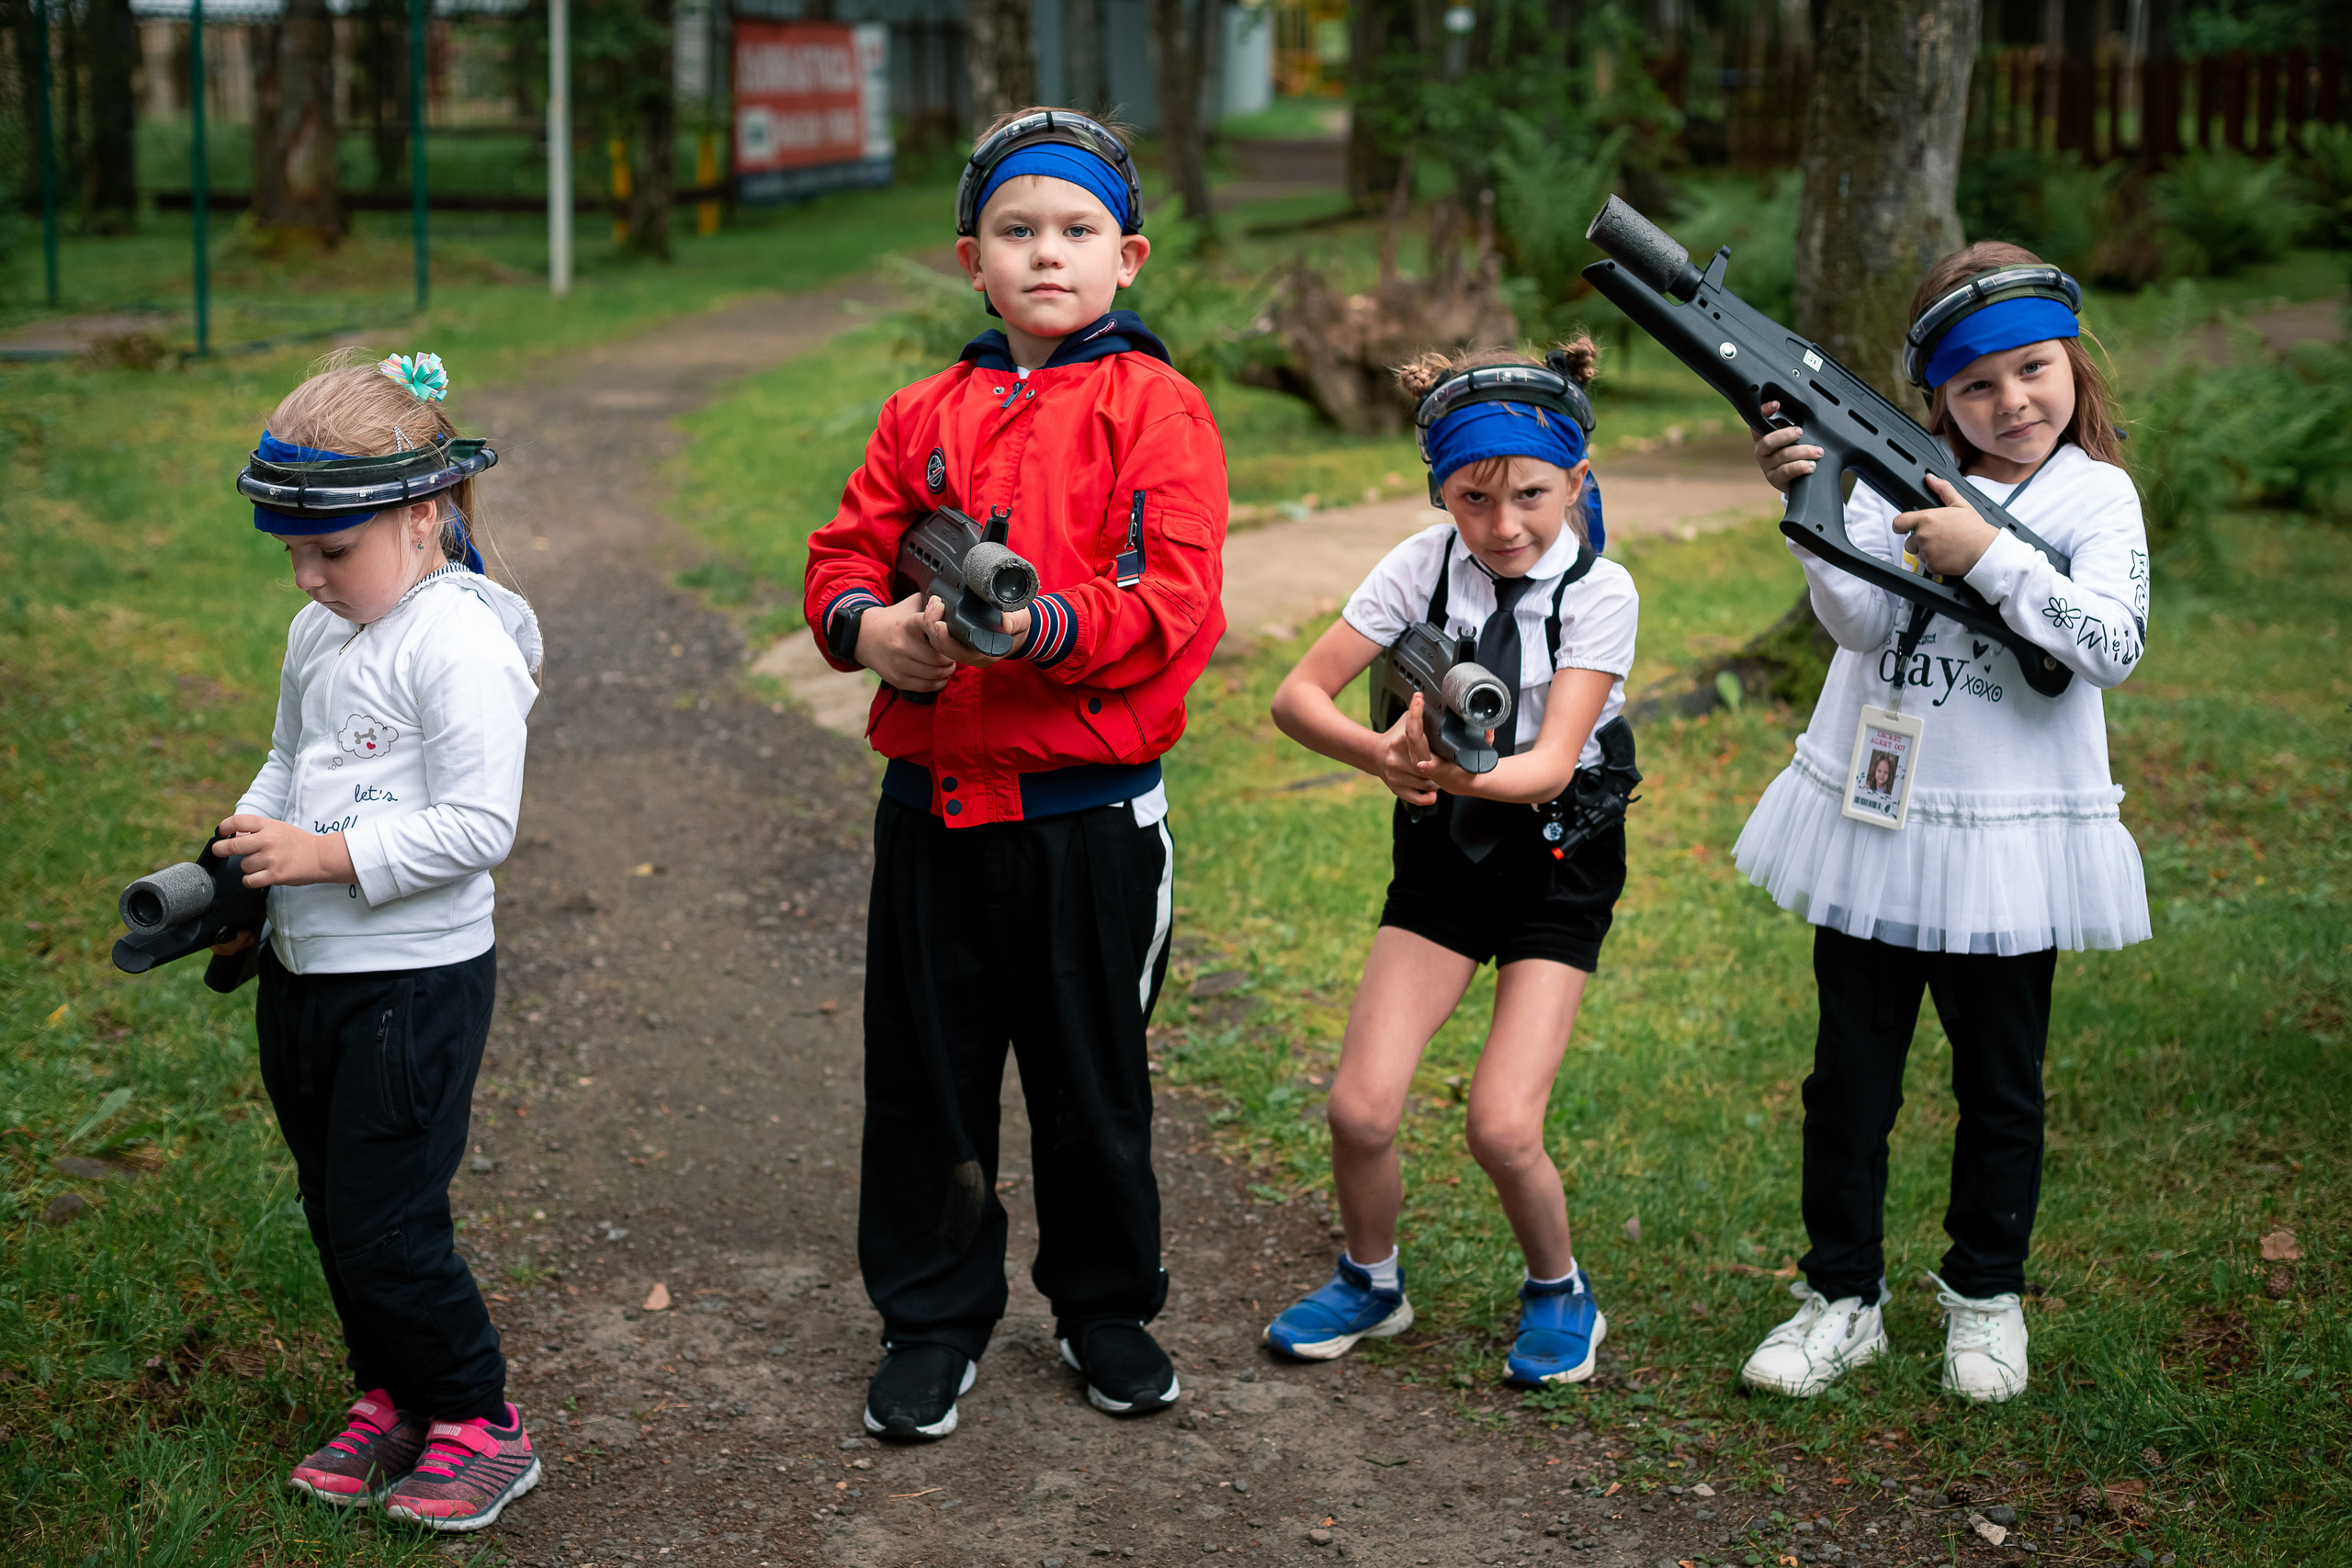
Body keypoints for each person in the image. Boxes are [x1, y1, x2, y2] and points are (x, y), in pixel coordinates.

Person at [800, 108, 1227, 1440]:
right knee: (927, 1078)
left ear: (1129, 255)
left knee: (1090, 1075)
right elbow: (844, 556)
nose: (1049, 255)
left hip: (1085, 816)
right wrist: (876, 633)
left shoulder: (1157, 405)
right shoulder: (921, 410)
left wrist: (1031, 629)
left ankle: (1107, 1308)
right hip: (930, 810)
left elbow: (1174, 602)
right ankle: (932, 1315)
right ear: (971, 259)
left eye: (1078, 231)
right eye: (1017, 230)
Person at [1732, 242, 2150, 1404]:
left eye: (2032, 370)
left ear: (2071, 361)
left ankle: (1985, 1296)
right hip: (1881, 824)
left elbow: (2111, 647)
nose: (2011, 402)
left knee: (2001, 1082)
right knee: (1848, 1080)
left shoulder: (2092, 495)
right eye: (1976, 386)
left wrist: (1994, 556)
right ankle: (1840, 1298)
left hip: (2011, 838)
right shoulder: (1890, 479)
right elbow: (1861, 624)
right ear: (1934, 401)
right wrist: (1807, 500)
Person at [1261, 340, 1639, 1386]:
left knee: (1502, 1125)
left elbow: (1551, 764)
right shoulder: (1418, 567)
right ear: (1440, 492)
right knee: (1360, 1107)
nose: (1504, 526)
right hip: (1440, 853)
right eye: (1473, 500)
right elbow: (1297, 697)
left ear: (1577, 481)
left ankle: (1561, 1293)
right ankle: (1369, 1280)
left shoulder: (1600, 594)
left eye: (1531, 495)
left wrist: (1438, 768)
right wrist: (1379, 755)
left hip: (1556, 857)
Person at [215, 350, 546, 1527]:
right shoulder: (326, 632)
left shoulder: (456, 644)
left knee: (388, 1219)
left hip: (410, 986)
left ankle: (477, 1419)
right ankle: (393, 1392)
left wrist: (328, 858)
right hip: (308, 974)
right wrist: (257, 837)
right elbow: (290, 758)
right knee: (331, 1200)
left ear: (424, 515)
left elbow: (477, 825)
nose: (307, 579)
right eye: (293, 554)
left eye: (330, 552)